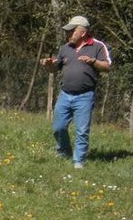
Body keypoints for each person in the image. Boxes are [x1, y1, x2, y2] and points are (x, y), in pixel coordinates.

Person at [40, 15, 112, 169]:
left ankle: (78, 162)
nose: (68, 34)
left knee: (82, 131)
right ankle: (64, 151)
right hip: (65, 95)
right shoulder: (66, 48)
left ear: (82, 32)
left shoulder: (98, 46)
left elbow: (107, 67)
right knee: (58, 128)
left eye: (72, 31)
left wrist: (93, 61)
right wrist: (48, 65)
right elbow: (54, 68)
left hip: (85, 96)